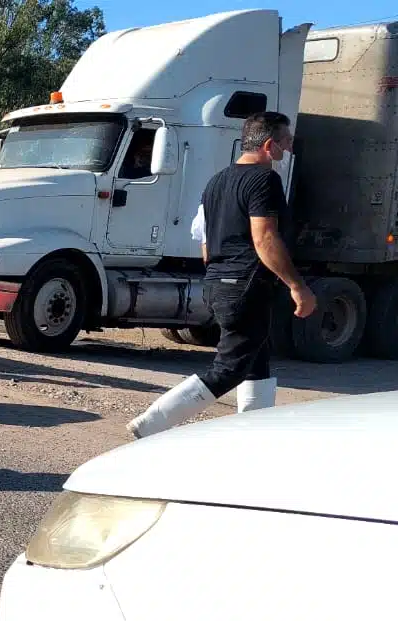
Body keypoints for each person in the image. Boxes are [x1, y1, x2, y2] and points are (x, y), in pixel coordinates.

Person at [127, 112, 317, 438]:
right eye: (285, 143)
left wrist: (223, 274)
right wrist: (297, 286)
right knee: (229, 368)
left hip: (218, 282)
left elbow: (204, 241)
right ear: (269, 145)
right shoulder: (264, 180)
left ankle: (253, 434)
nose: (288, 150)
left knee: (255, 358)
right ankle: (150, 425)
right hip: (245, 284)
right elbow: (265, 239)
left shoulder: (217, 181)